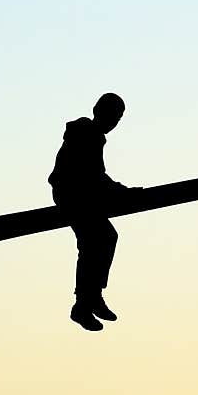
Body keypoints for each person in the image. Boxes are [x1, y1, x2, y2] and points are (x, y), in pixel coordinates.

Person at [48, 92, 139, 332]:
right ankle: (85, 302)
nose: (115, 122)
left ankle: (90, 299)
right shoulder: (87, 134)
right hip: (73, 195)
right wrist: (121, 192)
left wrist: (117, 191)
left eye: (119, 118)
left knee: (103, 238)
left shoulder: (92, 135)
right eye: (114, 116)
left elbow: (94, 177)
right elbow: (92, 176)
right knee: (96, 240)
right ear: (99, 111)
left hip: (80, 194)